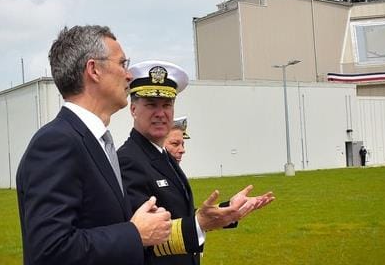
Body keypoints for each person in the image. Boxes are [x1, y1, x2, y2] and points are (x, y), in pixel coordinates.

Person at [16, 26, 173, 265]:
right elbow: (49, 250)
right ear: (94, 70)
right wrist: (134, 234)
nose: (128, 75)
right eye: (122, 63)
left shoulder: (94, 142)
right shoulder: (57, 142)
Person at [118, 60, 275, 265]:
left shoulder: (161, 155)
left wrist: (227, 210)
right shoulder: (129, 160)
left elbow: (178, 216)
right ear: (133, 109)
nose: (160, 113)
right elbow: (142, 235)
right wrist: (200, 223)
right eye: (151, 104)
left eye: (167, 104)